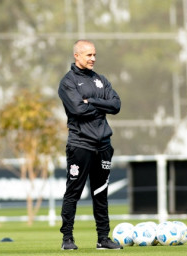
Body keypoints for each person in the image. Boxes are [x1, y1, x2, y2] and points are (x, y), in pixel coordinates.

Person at [57, 40, 122, 250]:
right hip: (80, 145)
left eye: (94, 55)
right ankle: (67, 239)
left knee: (101, 193)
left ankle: (103, 238)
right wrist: (99, 105)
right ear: (77, 56)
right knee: (73, 192)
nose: (93, 59)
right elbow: (77, 110)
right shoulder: (68, 82)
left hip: (103, 145)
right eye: (88, 55)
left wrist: (91, 101)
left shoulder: (101, 80)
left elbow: (116, 105)